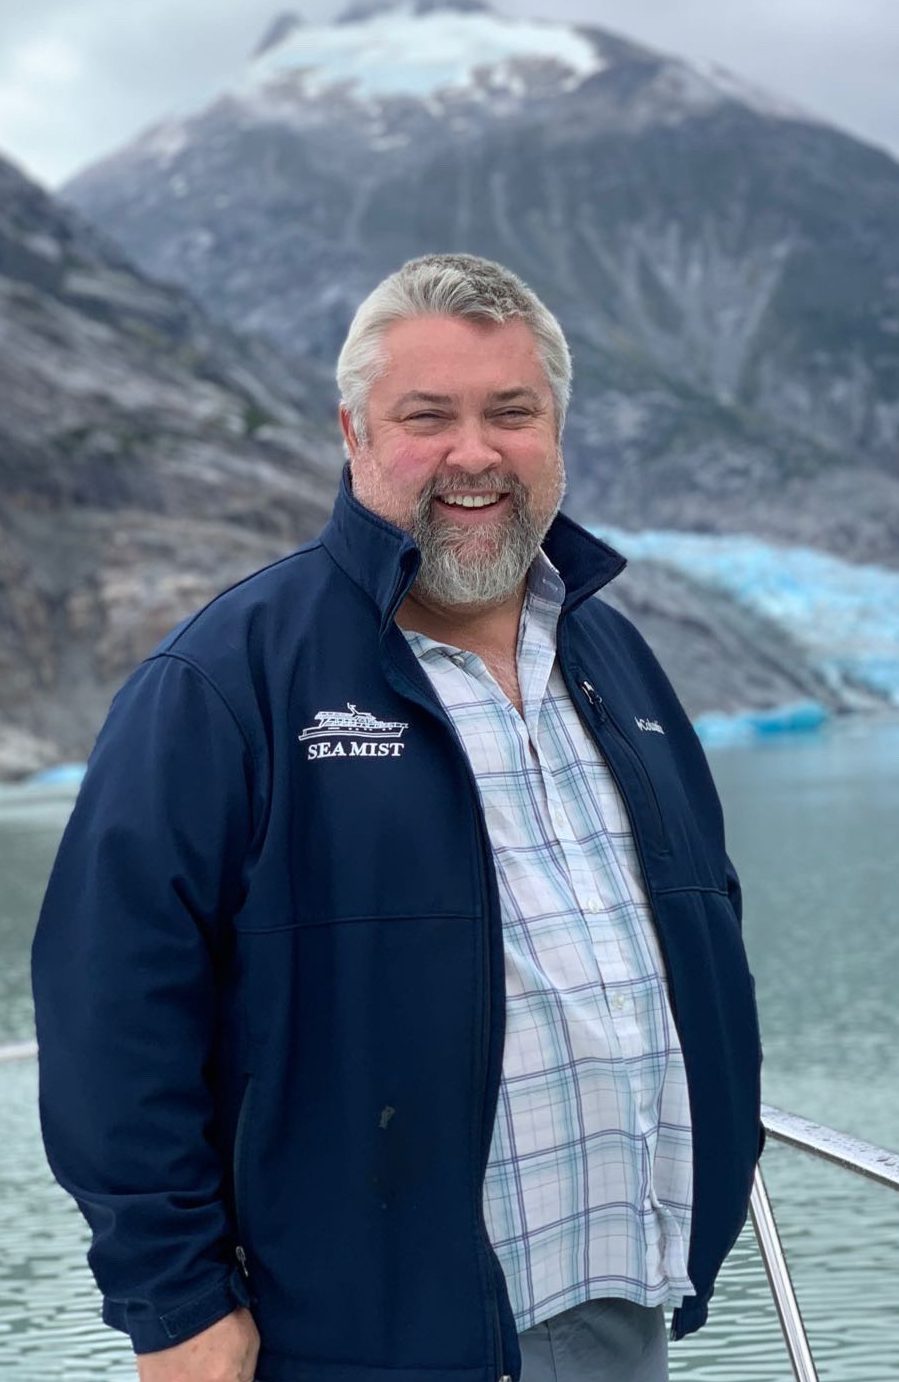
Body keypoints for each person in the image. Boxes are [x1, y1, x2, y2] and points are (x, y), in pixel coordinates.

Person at [32, 253, 763, 1382]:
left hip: (618, 1298)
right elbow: (109, 999)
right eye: (427, 415)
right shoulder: (229, 679)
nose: (473, 452)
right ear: (353, 432)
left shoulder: (615, 662)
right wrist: (173, 1301)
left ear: (555, 428)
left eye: (509, 412)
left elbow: (704, 920)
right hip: (358, 1333)